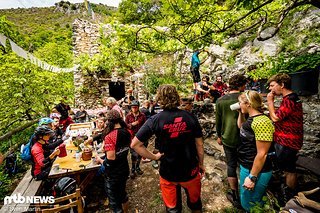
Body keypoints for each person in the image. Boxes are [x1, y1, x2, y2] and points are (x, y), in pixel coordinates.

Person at [131, 84, 205, 213]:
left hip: (168, 172)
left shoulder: (155, 119)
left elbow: (135, 144)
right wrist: (201, 164)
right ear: (176, 97)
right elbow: (199, 144)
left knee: (172, 209)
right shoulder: (190, 117)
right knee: (195, 205)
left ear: (159, 99)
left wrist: (154, 157)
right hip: (190, 169)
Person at [266, 73, 303, 202]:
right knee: (287, 168)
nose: (270, 89)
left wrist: (270, 102)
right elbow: (282, 114)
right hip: (285, 139)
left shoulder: (290, 99)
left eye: (272, 85)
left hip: (288, 141)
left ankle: (289, 198)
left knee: (289, 170)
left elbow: (275, 118)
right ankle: (287, 191)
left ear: (282, 85)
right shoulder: (287, 98)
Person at [237, 90, 275, 211]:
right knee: (246, 199)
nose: (239, 105)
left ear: (248, 103)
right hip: (246, 165)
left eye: (240, 103)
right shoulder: (251, 119)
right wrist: (240, 113)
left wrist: (252, 177)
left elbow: (262, 154)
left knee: (252, 203)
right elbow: (242, 128)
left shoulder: (261, 122)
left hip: (257, 170)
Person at [215, 74, 247, 208]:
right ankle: (247, 194)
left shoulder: (221, 100)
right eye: (244, 84)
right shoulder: (246, 98)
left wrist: (219, 135)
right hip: (246, 138)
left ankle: (234, 196)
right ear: (241, 85)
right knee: (246, 165)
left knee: (231, 165)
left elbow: (219, 121)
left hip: (228, 137)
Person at [95, 109, 131, 213]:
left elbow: (110, 159)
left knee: (115, 202)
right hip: (124, 168)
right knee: (123, 194)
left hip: (113, 174)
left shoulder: (110, 136)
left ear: (109, 121)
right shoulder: (127, 131)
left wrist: (100, 160)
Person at [125, 100, 146, 178]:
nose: (134, 108)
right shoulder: (128, 116)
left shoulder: (142, 115)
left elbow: (146, 126)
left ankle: (137, 167)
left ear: (138, 107)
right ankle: (133, 169)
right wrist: (132, 124)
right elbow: (125, 126)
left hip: (141, 138)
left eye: (135, 107)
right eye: (132, 107)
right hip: (132, 138)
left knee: (141, 153)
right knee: (133, 155)